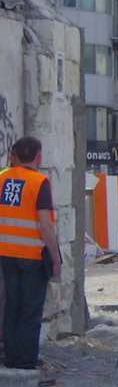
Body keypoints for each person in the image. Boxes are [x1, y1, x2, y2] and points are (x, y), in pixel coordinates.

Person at [0, 136, 61, 371]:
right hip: (32, 255)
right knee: (31, 308)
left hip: (6, 252)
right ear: (38, 156)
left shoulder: (2, 178)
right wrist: (55, 258)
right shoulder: (39, 182)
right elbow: (45, 225)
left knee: (12, 305)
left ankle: (11, 357)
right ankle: (26, 360)